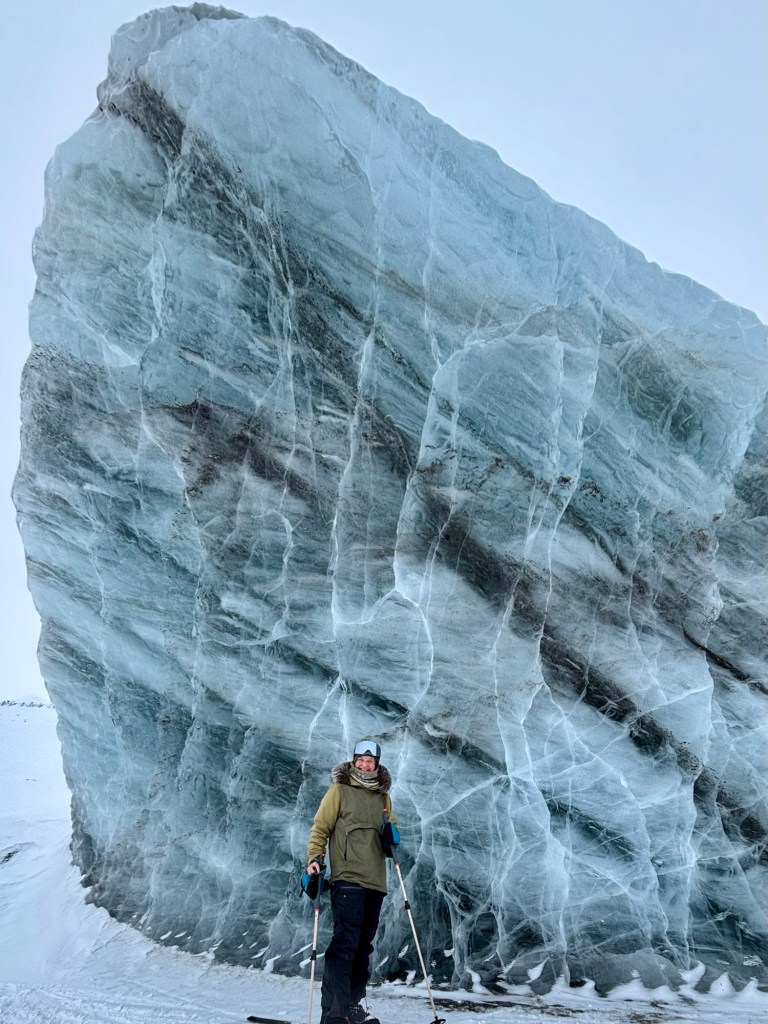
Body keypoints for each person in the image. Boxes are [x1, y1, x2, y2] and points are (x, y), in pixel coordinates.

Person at [306, 739, 399, 1024]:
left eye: (370, 761)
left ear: (377, 765)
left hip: (375, 882)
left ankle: (352, 1007)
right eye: (361, 759)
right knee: (344, 945)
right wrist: (315, 858)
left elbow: (392, 835)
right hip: (347, 878)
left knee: (362, 948)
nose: (365, 764)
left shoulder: (383, 798)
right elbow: (321, 827)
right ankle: (334, 1013)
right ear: (353, 761)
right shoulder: (339, 791)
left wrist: (391, 836)